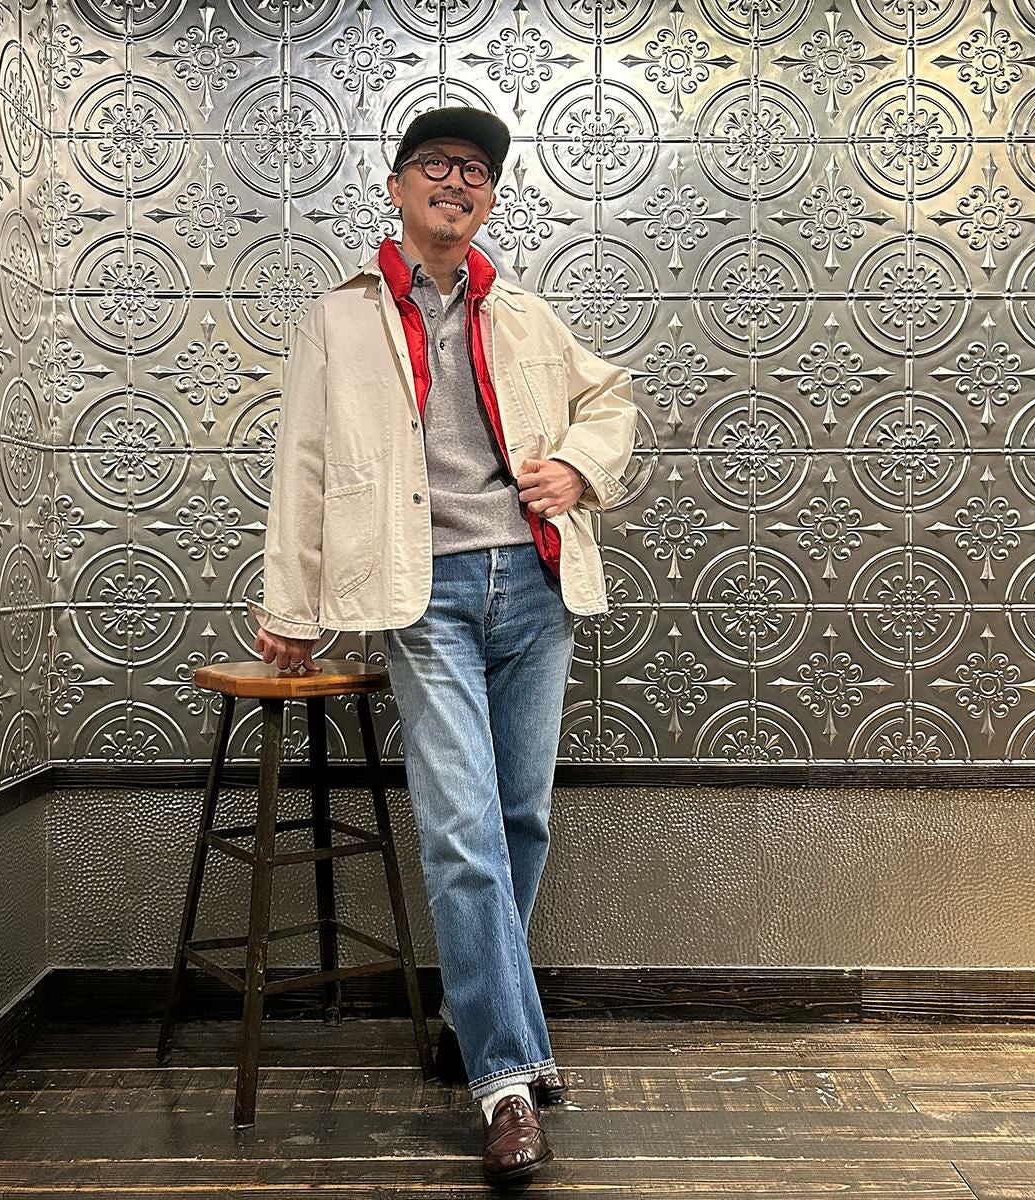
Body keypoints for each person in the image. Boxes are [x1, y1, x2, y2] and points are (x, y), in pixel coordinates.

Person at [250, 106, 636, 1187]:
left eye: (475, 170)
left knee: (519, 820)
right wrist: (292, 605)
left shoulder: (523, 310)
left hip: (538, 587)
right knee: (463, 833)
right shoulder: (340, 319)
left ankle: (473, 1024)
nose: (455, 181)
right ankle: (507, 1081)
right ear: (397, 186)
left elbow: (611, 398)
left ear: (492, 198)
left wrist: (579, 468)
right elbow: (304, 463)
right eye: (435, 164)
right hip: (426, 594)